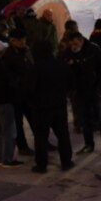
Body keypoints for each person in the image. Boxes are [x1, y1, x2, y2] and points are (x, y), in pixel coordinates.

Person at [27, 41, 73, 173]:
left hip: (41, 108)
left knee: (41, 137)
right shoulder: (61, 65)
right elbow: (71, 83)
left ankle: (41, 165)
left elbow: (28, 89)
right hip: (59, 105)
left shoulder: (35, 68)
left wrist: (32, 102)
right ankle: (66, 161)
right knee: (63, 135)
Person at [63, 31, 101, 154]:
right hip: (79, 91)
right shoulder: (69, 52)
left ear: (81, 40)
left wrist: (100, 87)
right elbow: (66, 71)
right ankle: (88, 144)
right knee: (84, 120)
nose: (74, 45)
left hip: (95, 89)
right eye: (71, 43)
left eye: (76, 42)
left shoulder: (93, 49)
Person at [3, 29, 35, 156]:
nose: (22, 42)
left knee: (34, 119)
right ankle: (22, 146)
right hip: (16, 95)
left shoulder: (26, 51)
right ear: (12, 41)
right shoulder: (9, 55)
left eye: (24, 39)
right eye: (19, 40)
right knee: (18, 123)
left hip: (28, 93)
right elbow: (8, 76)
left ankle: (42, 142)